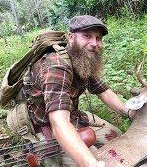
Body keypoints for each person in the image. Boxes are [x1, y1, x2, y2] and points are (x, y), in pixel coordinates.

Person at [24, 15, 136, 167]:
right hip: (47, 127)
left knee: (117, 137)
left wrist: (128, 112)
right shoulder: (56, 67)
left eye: (98, 38)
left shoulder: (81, 58)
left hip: (71, 116)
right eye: (87, 36)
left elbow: (103, 91)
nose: (94, 43)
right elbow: (59, 124)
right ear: (70, 37)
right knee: (95, 158)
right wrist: (90, 164)